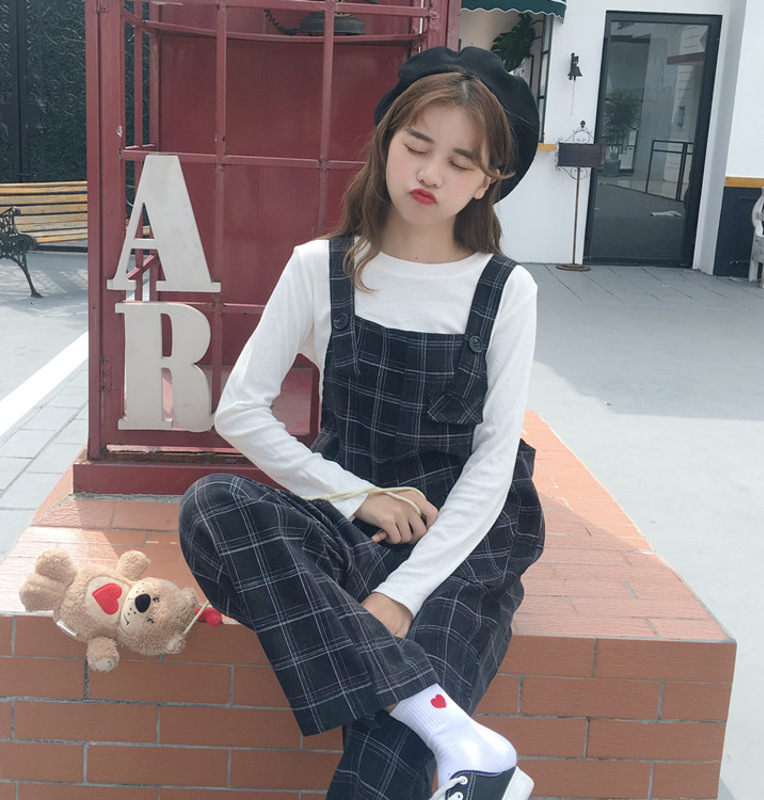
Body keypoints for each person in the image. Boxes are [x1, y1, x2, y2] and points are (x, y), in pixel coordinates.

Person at [179, 46, 545, 800]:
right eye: (417, 145)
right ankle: (450, 727)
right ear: (386, 141)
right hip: (352, 512)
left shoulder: (506, 290)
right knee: (213, 506)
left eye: (459, 162)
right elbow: (239, 409)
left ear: (488, 181)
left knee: (385, 755)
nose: (430, 173)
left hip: (461, 537)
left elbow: (493, 459)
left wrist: (401, 595)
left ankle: (435, 729)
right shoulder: (320, 266)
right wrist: (357, 496)